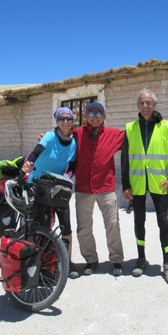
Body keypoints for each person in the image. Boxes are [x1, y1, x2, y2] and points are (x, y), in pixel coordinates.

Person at [121, 88, 168, 284]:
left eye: (148, 102)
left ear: (154, 104)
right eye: (142, 102)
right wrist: (126, 184)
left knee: (163, 222)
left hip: (159, 182)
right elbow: (124, 159)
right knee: (139, 222)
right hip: (138, 182)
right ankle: (141, 259)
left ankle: (167, 263)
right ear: (137, 105)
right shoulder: (130, 128)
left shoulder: (165, 126)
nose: (145, 106)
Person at [21, 107, 79, 279]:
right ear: (56, 120)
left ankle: (67, 262)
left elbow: (73, 167)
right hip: (38, 185)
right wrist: (28, 163)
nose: (66, 122)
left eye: (69, 119)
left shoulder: (74, 143)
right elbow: (36, 151)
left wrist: (67, 176)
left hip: (58, 186)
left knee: (65, 226)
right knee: (42, 226)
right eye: (62, 119)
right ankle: (41, 262)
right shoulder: (49, 136)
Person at [73, 102, 125, 276]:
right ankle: (91, 260)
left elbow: (135, 135)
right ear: (86, 116)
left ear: (104, 117)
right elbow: (59, 138)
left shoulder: (114, 134)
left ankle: (116, 259)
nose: (95, 117)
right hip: (83, 188)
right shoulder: (77, 134)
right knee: (84, 228)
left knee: (112, 224)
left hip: (106, 187)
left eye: (98, 114)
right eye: (91, 114)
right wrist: (45, 136)